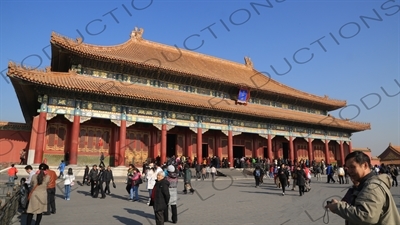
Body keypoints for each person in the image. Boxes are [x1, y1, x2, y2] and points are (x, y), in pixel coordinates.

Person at [325, 151, 400, 225]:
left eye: (352, 167)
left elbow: (366, 216)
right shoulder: (364, 184)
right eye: (348, 168)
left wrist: (337, 207)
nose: (349, 171)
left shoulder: (372, 187)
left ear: (365, 165)